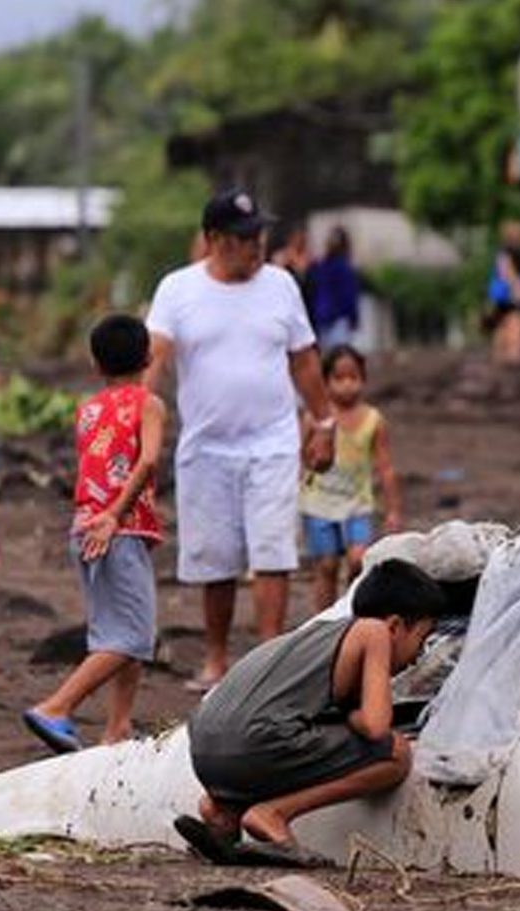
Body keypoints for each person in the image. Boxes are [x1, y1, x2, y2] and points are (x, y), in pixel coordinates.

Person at [145, 188, 339, 691]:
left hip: (272, 441)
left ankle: (268, 660)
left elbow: (303, 357)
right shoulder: (177, 289)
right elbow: (157, 356)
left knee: (273, 551)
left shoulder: (280, 285)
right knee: (216, 558)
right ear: (213, 240)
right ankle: (216, 660)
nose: (256, 245)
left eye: (259, 235)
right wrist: (135, 416)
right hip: (206, 446)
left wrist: (324, 423)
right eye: (243, 237)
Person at [175, 559, 447, 858]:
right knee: (396, 753)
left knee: (294, 738)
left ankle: (222, 812)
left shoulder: (316, 635)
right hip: (253, 742)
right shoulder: (374, 632)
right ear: (395, 625)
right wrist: (355, 717)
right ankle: (274, 814)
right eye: (421, 639)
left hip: (203, 752)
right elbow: (376, 725)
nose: (418, 657)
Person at [23, 315, 168, 753]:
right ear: (147, 357)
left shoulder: (87, 409)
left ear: (94, 363)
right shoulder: (149, 403)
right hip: (113, 528)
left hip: (86, 526)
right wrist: (116, 516)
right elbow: (147, 461)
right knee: (134, 636)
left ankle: (117, 727)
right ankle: (56, 707)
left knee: (116, 631)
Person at [300, 345, 402, 613]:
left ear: (363, 379)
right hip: (318, 502)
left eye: (353, 377)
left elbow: (385, 467)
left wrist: (393, 510)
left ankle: (351, 610)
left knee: (359, 559)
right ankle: (323, 620)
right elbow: (300, 458)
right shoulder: (314, 419)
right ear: (325, 382)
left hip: (357, 503)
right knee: (326, 565)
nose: (347, 385)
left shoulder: (373, 420)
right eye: (339, 378)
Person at [487, 220, 520, 366]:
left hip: (502, 293)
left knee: (502, 322)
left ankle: (501, 353)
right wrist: (519, 288)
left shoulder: (504, 250)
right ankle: (513, 353)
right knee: (515, 320)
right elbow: (507, 271)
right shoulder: (511, 251)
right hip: (512, 292)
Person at [306, 226, 362, 349]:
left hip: (322, 317)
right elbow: (349, 296)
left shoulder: (320, 266)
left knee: (328, 359)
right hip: (338, 319)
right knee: (339, 356)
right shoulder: (344, 268)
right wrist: (354, 319)